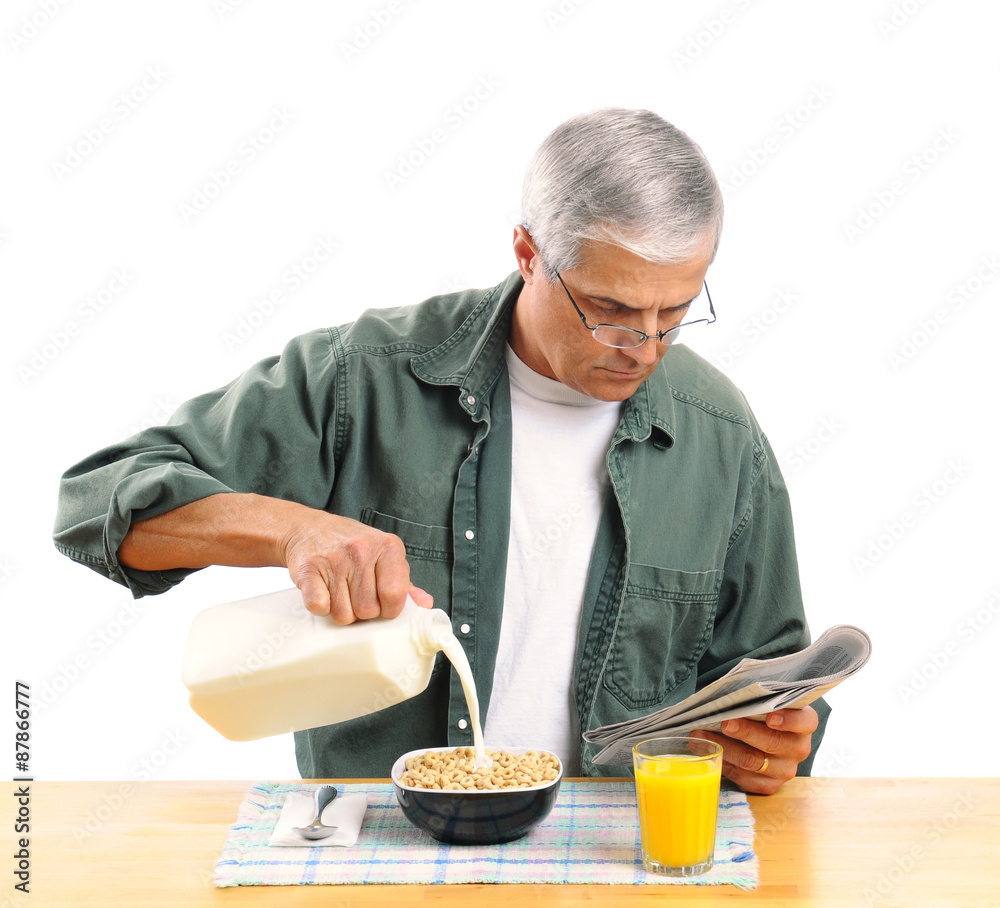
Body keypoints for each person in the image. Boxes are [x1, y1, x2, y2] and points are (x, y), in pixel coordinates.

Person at [54, 107, 828, 792]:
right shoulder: (364, 379)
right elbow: (97, 505)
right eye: (610, 310)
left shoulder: (719, 432)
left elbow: (773, 677)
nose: (645, 346)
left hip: (622, 861)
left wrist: (781, 741)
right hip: (381, 855)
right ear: (528, 253)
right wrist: (293, 532)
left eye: (677, 310)